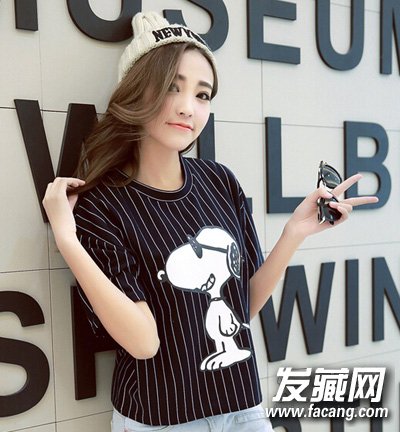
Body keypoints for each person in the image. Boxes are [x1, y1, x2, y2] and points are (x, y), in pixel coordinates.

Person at [42, 11, 378, 432]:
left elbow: (241, 306)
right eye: (172, 86)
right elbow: (144, 343)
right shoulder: (103, 205)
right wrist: (68, 241)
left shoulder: (219, 181)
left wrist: (294, 232)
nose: (188, 107)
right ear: (136, 90)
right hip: (162, 419)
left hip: (243, 407)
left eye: (202, 95)